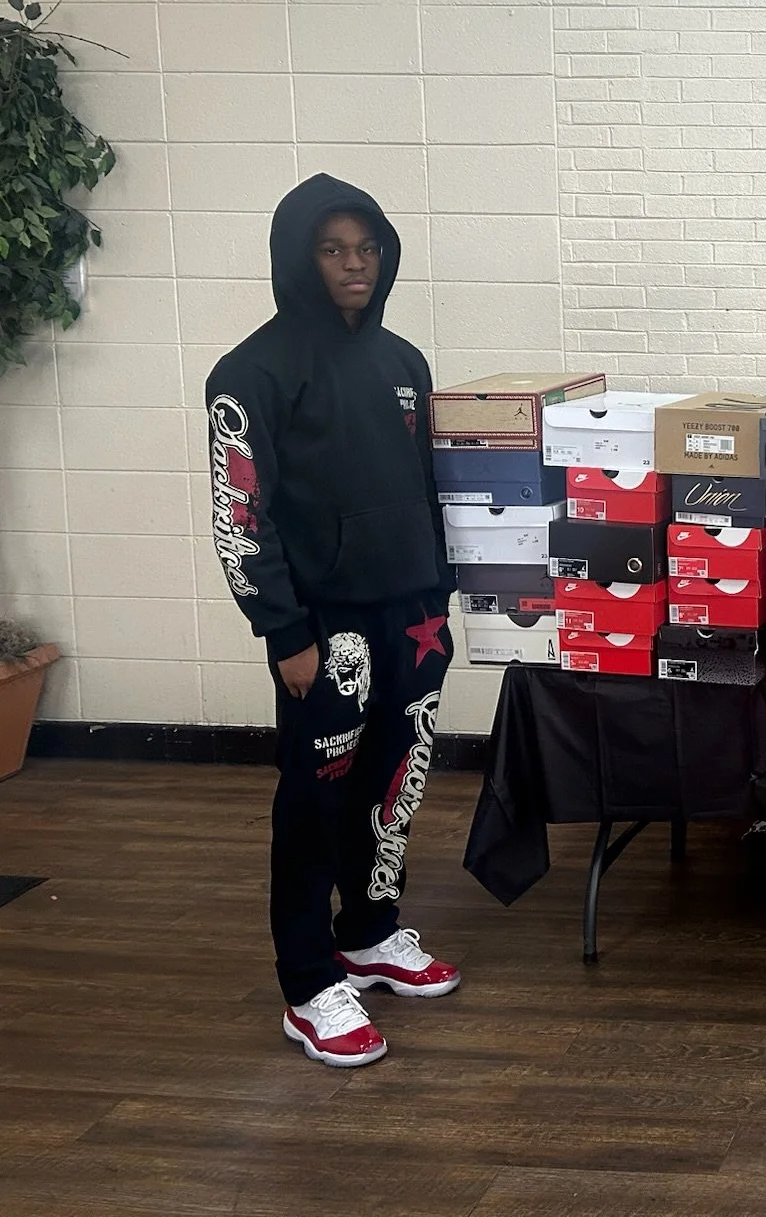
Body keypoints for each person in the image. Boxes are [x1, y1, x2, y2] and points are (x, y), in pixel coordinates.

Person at [205, 174, 462, 1069]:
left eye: (368, 248)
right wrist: (286, 633)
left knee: (395, 785)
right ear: (297, 258)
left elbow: (427, 492)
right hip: (326, 633)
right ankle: (310, 982)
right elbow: (241, 517)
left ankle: (371, 931)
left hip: (413, 618)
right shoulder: (250, 373)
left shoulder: (404, 363)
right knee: (313, 806)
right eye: (333, 248)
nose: (356, 264)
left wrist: (440, 596)